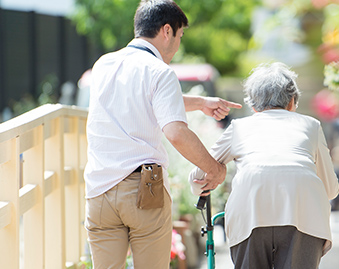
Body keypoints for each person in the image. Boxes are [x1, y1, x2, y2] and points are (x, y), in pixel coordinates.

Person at [83, 0, 241, 268]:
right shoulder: (160, 71)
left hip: (99, 190)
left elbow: (142, 100)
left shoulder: (103, 65)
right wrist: (214, 169)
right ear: (166, 31)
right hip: (143, 188)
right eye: (179, 36)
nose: (178, 44)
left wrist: (201, 103)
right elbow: (176, 132)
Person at [189, 62, 339, 269]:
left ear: (253, 106)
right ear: (292, 102)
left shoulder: (240, 127)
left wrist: (212, 178)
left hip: (250, 211)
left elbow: (198, 177)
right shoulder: (311, 125)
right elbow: (331, 190)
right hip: (304, 212)